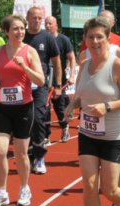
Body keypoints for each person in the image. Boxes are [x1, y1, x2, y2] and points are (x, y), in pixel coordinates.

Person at [65, 16, 120, 206]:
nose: (95, 41)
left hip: (113, 136)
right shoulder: (84, 65)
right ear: (85, 40)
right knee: (88, 184)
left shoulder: (117, 65)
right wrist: (71, 105)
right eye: (90, 37)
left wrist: (107, 107)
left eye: (99, 37)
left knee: (109, 190)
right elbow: (79, 95)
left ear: (108, 39)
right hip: (87, 133)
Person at [0, 14, 44, 206]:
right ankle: (1, 192)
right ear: (7, 32)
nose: (20, 32)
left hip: (23, 108)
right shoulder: (0, 51)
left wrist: (24, 66)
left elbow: (41, 81)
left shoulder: (30, 52)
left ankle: (25, 187)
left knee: (20, 153)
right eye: (16, 28)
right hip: (2, 107)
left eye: (22, 28)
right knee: (0, 150)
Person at [24, 6, 62, 174]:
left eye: (40, 18)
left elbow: (57, 61)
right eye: (34, 18)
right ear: (27, 18)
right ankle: (28, 154)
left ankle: (39, 157)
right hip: (21, 85)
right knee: (25, 120)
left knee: (39, 118)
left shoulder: (47, 38)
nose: (37, 21)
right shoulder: (20, 35)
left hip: (40, 86)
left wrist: (58, 84)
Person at [44, 15, 76, 143]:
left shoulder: (63, 40)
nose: (47, 26)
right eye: (46, 23)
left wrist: (72, 75)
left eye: (50, 23)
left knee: (59, 107)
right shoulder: (41, 38)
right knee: (44, 108)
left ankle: (64, 127)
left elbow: (72, 58)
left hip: (58, 80)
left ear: (56, 25)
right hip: (44, 80)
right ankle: (46, 135)